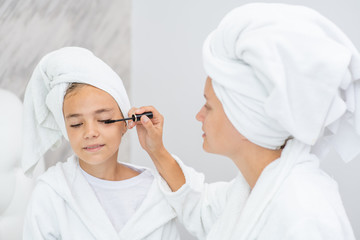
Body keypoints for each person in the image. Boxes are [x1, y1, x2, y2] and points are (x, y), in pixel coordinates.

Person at [128, 3, 359, 239]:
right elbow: (202, 209)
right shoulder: (253, 189)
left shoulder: (305, 218)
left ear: (246, 119)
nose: (199, 115)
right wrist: (155, 150)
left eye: (208, 105)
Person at [22, 47, 179, 239]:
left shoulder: (156, 191)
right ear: (65, 129)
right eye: (76, 124)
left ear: (126, 123)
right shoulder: (51, 194)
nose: (90, 133)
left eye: (104, 120)